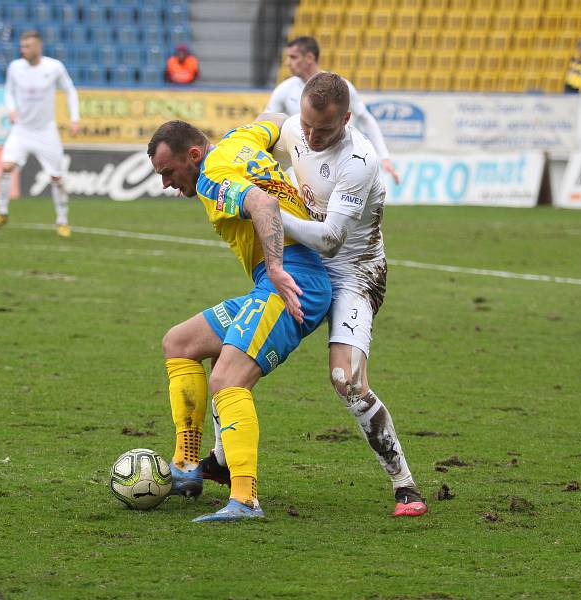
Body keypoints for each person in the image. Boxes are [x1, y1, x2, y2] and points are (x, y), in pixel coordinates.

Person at [203, 72, 428, 517]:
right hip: (304, 266)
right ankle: (221, 459)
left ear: (346, 118)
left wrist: (264, 210)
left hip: (356, 271)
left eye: (323, 130)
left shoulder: (359, 162)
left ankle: (405, 484)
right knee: (234, 350)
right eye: (306, 125)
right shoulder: (296, 129)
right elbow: (267, 131)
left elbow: (329, 239)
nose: (310, 136)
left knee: (346, 380)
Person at [148, 119, 332, 522]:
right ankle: (187, 465)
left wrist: (278, 267)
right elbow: (281, 124)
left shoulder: (212, 177)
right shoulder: (240, 139)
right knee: (179, 342)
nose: (166, 184)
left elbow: (262, 205)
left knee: (227, 379)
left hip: (291, 282)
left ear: (193, 156)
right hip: (276, 282)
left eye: (168, 172)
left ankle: (245, 499)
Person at [265, 36, 400, 185]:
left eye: (293, 57)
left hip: (337, 163)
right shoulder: (284, 89)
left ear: (309, 57)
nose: (287, 62)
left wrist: (384, 157)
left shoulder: (340, 88)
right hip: (299, 166)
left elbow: (365, 118)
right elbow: (267, 123)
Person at [0, 30, 79, 237]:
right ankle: (2, 212)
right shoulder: (15, 67)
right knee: (6, 167)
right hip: (21, 130)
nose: (23, 50)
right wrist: (11, 109)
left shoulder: (54, 67)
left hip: (46, 131)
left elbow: (70, 90)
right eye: (22, 46)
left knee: (56, 177)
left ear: (38, 47)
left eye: (27, 47)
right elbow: (9, 91)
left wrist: (74, 118)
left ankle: (62, 221)